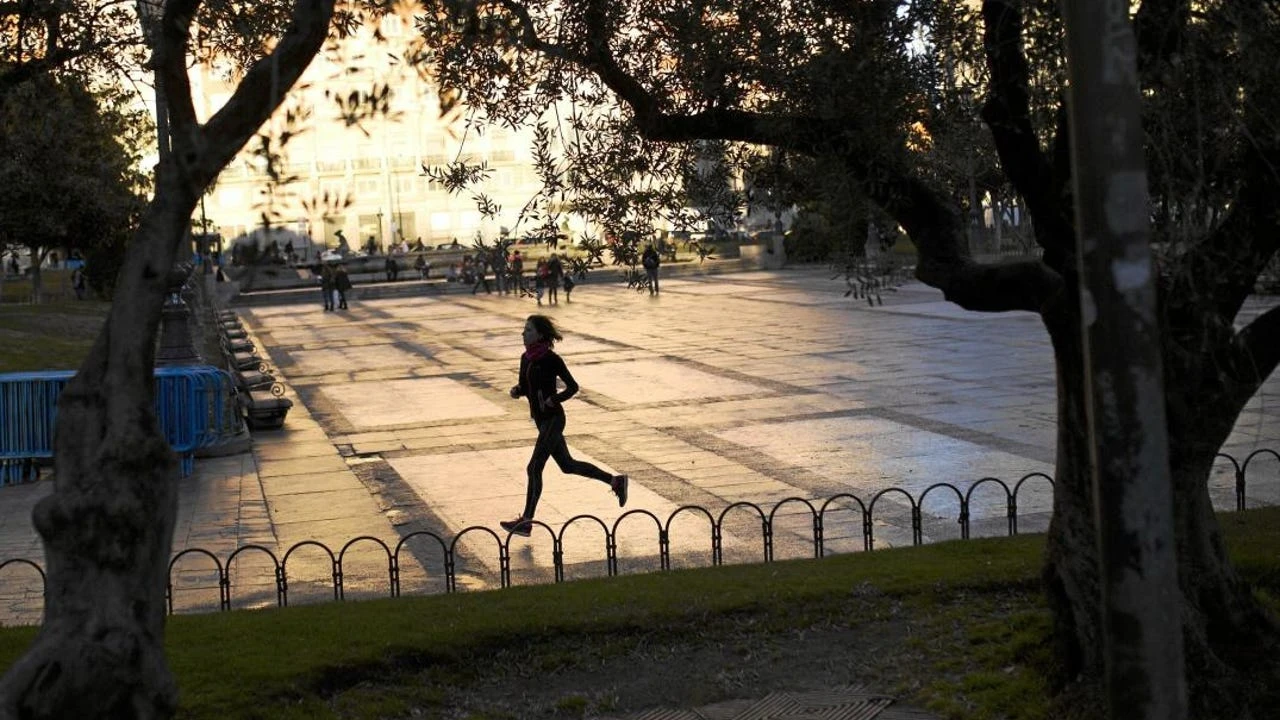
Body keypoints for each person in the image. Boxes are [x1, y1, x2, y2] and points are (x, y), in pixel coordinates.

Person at [501, 315, 628, 537]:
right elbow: (525, 385)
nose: (523, 334)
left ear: (540, 335)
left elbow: (573, 387)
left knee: (534, 467)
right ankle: (615, 481)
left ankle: (527, 521)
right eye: (524, 330)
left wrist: (554, 399)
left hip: (554, 419)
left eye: (528, 330)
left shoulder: (551, 359)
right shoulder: (526, 358)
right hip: (541, 421)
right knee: (568, 465)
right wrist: (517, 391)